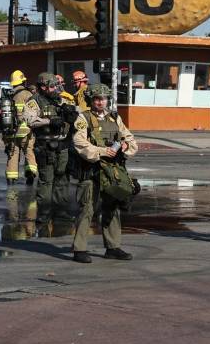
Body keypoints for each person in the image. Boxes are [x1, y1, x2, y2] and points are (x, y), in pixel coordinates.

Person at [70, 84, 138, 263]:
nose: (101, 102)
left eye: (104, 98)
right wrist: (101, 151)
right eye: (97, 99)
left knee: (113, 208)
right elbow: (80, 144)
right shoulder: (83, 118)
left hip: (111, 172)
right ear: (91, 100)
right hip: (91, 171)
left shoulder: (115, 117)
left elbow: (130, 139)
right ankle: (79, 249)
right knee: (87, 209)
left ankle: (113, 247)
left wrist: (125, 146)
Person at [23, 72, 75, 218]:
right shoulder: (34, 101)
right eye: (51, 86)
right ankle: (44, 212)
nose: (54, 89)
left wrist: (73, 116)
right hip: (45, 145)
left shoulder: (62, 100)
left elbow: (77, 116)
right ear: (42, 87)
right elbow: (29, 120)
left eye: (55, 86)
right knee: (46, 180)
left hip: (63, 144)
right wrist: (49, 121)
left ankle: (61, 211)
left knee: (63, 179)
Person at [3, 70, 37, 185]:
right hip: (25, 129)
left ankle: (11, 177)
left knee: (13, 152)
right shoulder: (28, 94)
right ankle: (30, 174)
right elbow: (34, 112)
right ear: (23, 81)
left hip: (11, 130)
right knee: (28, 151)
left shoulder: (10, 95)